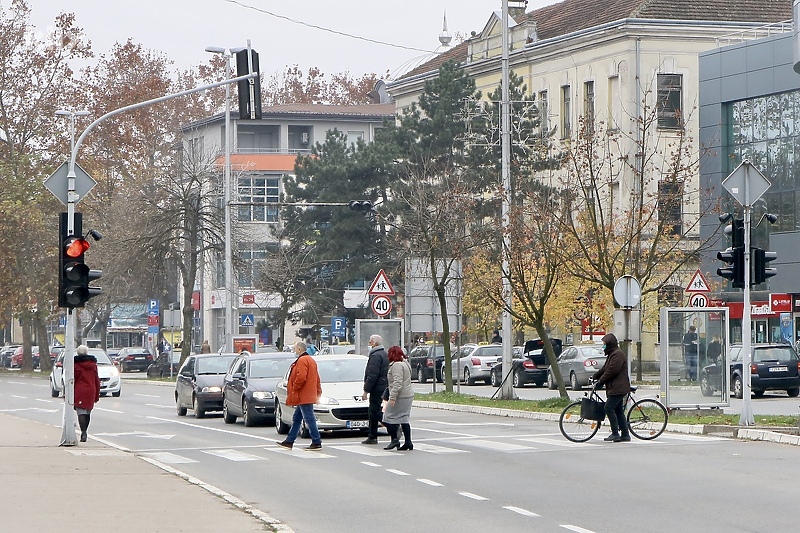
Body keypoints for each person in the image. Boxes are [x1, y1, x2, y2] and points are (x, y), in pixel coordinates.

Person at [277, 341, 323, 451]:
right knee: (297, 418)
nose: (294, 351)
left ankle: (316, 441)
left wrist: (295, 388)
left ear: (299, 350)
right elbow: (316, 378)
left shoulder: (302, 360)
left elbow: (301, 377)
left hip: (303, 395)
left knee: (309, 418)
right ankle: (289, 441)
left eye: (294, 349)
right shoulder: (311, 360)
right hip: (308, 394)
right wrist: (318, 391)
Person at [592, 333, 631, 443]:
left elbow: (612, 371)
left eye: (604, 344)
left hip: (618, 387)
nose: (603, 346)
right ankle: (625, 435)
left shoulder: (617, 354)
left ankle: (615, 433)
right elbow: (605, 368)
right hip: (615, 387)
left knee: (608, 408)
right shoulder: (612, 354)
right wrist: (595, 376)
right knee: (618, 411)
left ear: (610, 344)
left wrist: (601, 381)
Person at [382, 345, 414, 450]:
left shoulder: (396, 366)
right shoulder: (406, 363)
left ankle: (394, 439)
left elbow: (397, 383)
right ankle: (408, 442)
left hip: (400, 396)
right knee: (404, 419)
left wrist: (392, 397)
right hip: (408, 395)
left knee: (387, 417)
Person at [361, 334, 389, 445]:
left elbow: (372, 375)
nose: (369, 344)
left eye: (370, 342)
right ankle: (372, 436)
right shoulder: (384, 353)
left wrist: (365, 391)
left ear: (374, 343)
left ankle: (393, 426)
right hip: (382, 385)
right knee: (372, 411)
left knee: (374, 410)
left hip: (377, 387)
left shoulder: (376, 356)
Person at [74, 345, 101, 443]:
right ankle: (85, 431)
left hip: (79, 390)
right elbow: (96, 380)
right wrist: (97, 393)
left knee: (80, 412)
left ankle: (83, 431)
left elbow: (73, 380)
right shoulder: (93, 365)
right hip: (91, 390)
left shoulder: (75, 365)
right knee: (88, 412)